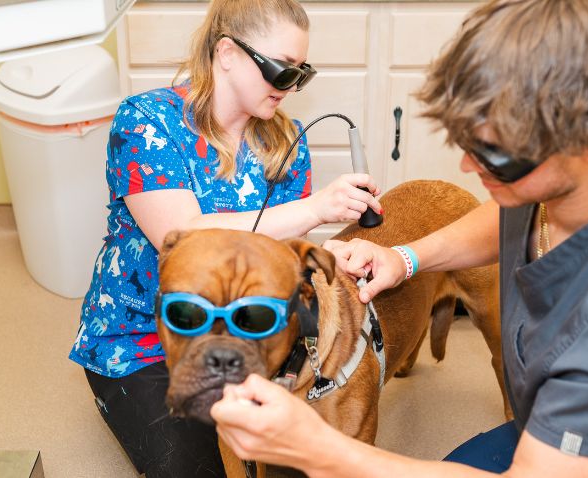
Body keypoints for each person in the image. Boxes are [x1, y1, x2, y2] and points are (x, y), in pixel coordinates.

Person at [209, 1, 588, 477]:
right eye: (466, 141)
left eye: (494, 154)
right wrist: (406, 258)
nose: (470, 166)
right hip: (556, 423)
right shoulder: (584, 167)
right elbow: (507, 211)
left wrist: (318, 447)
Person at [67, 0, 382, 476]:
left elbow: (270, 256)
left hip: (247, 328)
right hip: (145, 342)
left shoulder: (286, 142)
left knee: (298, 458)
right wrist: (314, 208)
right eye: (281, 69)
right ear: (228, 53)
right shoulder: (147, 121)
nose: (291, 86)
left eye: (302, 73)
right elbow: (183, 234)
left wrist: (321, 254)